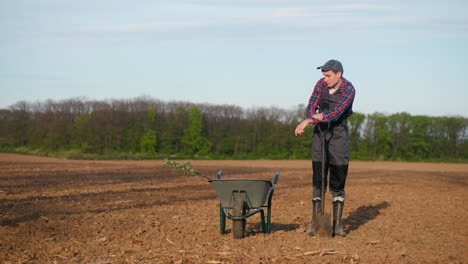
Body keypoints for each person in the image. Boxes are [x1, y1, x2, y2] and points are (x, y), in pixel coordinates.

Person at [295, 59, 356, 237]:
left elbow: (336, 113)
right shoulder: (320, 85)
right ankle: (317, 224)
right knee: (319, 178)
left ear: (339, 74)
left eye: (328, 76)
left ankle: (337, 226)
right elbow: (311, 105)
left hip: (339, 135)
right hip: (320, 134)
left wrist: (310, 119)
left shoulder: (349, 89)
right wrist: (312, 116)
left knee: (338, 178)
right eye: (324, 75)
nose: (325, 79)